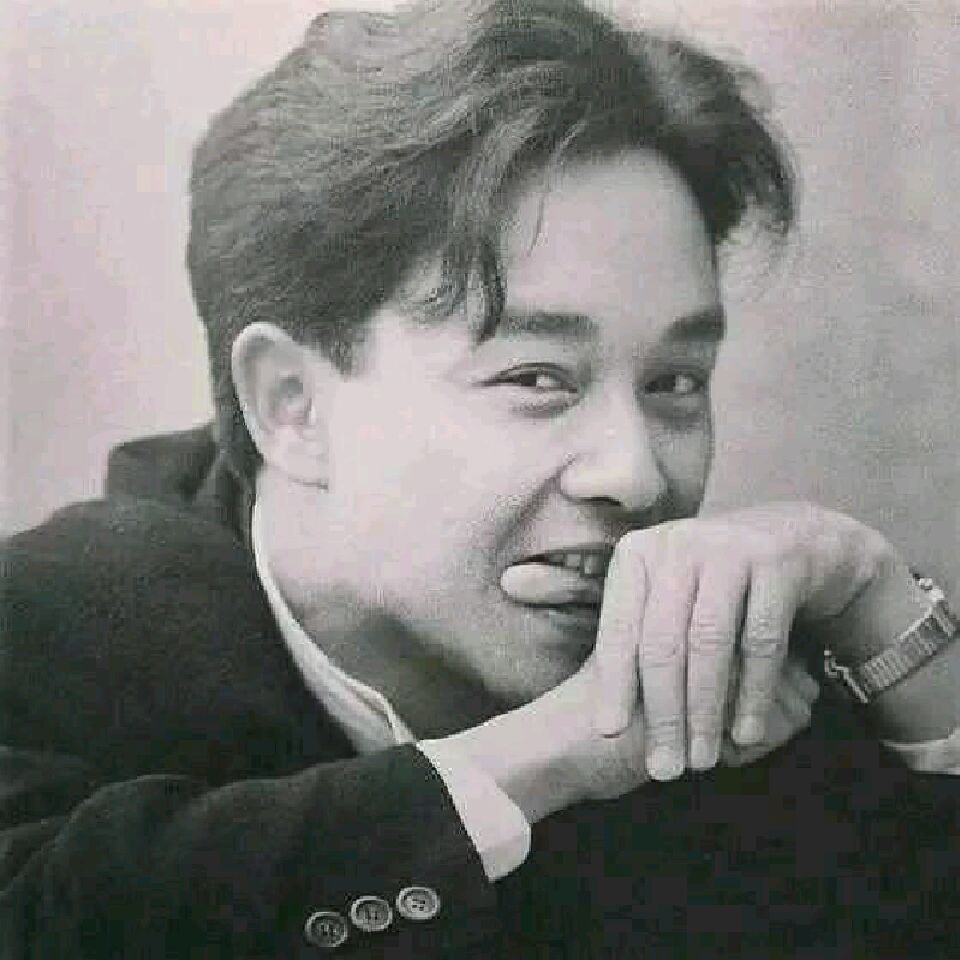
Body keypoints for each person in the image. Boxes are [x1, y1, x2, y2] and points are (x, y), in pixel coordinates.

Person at [2, 1, 958, 956]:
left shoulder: (725, 668)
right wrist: (549, 756)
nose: (634, 475)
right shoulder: (37, 645)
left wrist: (877, 605)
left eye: (674, 382)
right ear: (293, 406)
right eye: (537, 377)